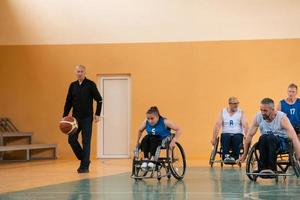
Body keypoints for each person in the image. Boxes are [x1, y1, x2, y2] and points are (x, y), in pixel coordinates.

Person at [240, 98, 300, 172]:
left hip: (282, 142)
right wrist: (245, 154)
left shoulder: (282, 119)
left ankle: (271, 168)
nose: (262, 113)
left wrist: (298, 158)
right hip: (265, 141)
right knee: (263, 137)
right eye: (261, 110)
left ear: (272, 110)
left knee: (270, 138)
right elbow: (249, 135)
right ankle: (262, 168)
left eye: (265, 110)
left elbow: (294, 138)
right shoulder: (258, 116)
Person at [63, 65, 102, 173]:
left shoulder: (90, 84)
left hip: (87, 118)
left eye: (81, 71)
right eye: (78, 71)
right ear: (75, 72)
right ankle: (84, 159)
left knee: (86, 142)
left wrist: (97, 114)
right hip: (75, 119)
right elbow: (68, 102)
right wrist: (64, 116)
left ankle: (84, 166)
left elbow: (99, 100)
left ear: (85, 72)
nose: (79, 73)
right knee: (71, 140)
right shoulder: (72, 85)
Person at [211, 97, 248, 162]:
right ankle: (225, 156)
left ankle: (235, 157)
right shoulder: (223, 112)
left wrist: (247, 137)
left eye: (237, 103)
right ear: (229, 104)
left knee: (237, 137)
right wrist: (214, 138)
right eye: (234, 103)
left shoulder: (241, 112)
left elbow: (245, 125)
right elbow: (217, 125)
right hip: (226, 134)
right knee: (226, 136)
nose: (236, 105)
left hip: (237, 134)